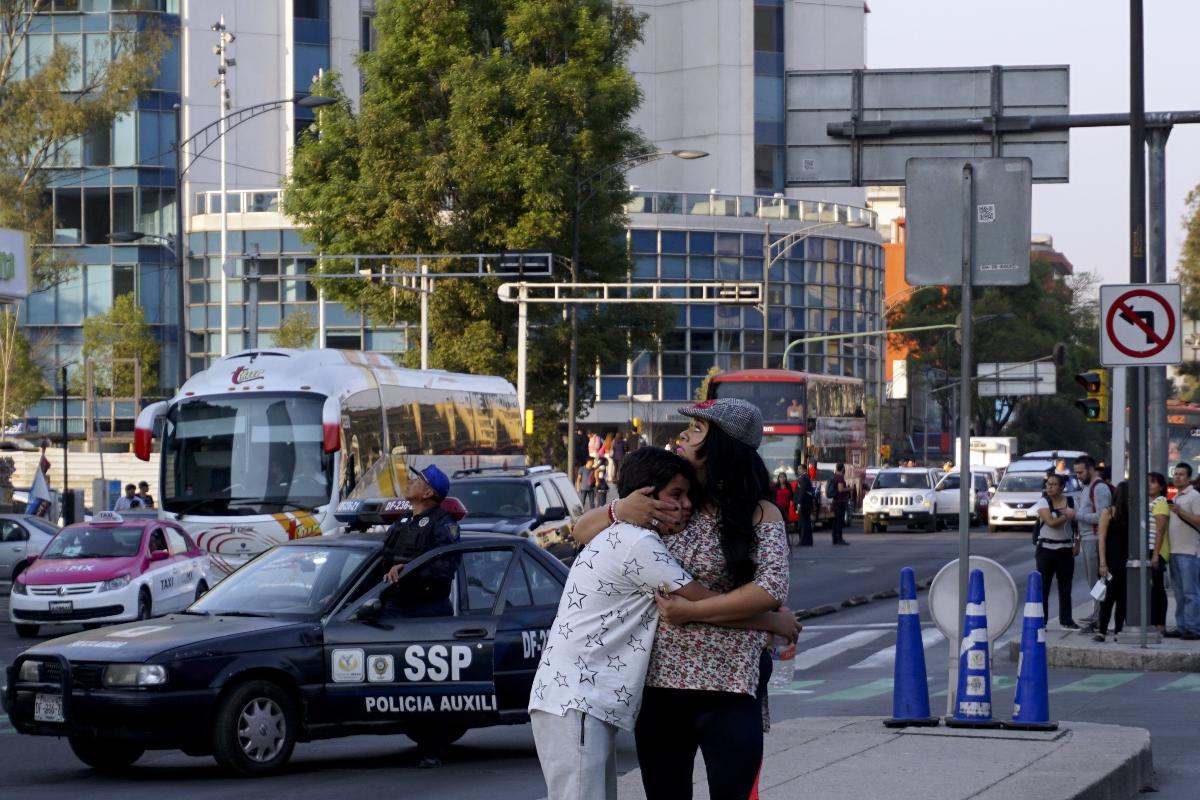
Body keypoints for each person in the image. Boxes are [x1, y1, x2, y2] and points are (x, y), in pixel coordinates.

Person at [528, 447, 797, 800]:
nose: (685, 504)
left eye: (688, 495)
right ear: (646, 497)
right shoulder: (638, 543)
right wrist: (772, 621)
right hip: (577, 698)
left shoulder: (630, 534)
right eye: (676, 495)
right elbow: (698, 599)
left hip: (584, 698)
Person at [381, 465, 460, 600]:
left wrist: (409, 569)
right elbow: (383, 557)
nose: (410, 481)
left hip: (422, 610)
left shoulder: (442, 523)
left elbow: (447, 565)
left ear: (427, 493)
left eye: (417, 481)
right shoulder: (404, 519)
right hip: (395, 600)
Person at [1033, 473, 1080, 629]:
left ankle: (1066, 620)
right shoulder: (1043, 502)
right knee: (1044, 587)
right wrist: (1067, 515)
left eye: (1054, 484)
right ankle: (1042, 620)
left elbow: (1077, 523)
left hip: (1066, 549)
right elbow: (1051, 522)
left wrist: (1077, 543)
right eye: (1048, 484)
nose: (1050, 487)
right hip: (1046, 549)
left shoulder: (1071, 501)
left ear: (1062, 487)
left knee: (1065, 586)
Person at [1073, 455, 1112, 632]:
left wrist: (1076, 515)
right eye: (1076, 473)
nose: (1078, 476)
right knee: (1093, 581)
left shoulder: (1099, 488)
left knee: (1098, 581)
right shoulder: (1088, 487)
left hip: (1096, 539)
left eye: (1080, 472)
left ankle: (1099, 617)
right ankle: (1096, 613)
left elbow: (1102, 517)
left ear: (1090, 469)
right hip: (1088, 538)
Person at [1164, 463, 1200, 640]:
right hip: (1174, 551)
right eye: (1175, 474)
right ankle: (1182, 625)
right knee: (1179, 593)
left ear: (1189, 478)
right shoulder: (1176, 497)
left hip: (1190, 552)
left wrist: (1180, 512)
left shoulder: (1194, 496)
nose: (1177, 477)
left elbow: (1198, 520)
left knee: (1191, 593)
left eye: (1181, 474)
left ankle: (1194, 628)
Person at [1095, 481, 1131, 642]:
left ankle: (1103, 630)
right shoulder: (1129, 513)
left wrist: (1102, 562)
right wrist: (1103, 563)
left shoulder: (1108, 512)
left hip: (1112, 559)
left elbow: (1101, 539)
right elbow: (1102, 538)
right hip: (1122, 560)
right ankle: (1116, 630)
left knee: (1109, 597)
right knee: (1120, 597)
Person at [1148, 472, 1170, 633]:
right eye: (1147, 482)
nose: (1149, 485)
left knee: (1157, 589)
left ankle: (1160, 624)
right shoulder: (1149, 502)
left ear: (1161, 487)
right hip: (1147, 550)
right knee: (1151, 588)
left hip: (1155, 551)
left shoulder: (1160, 502)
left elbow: (1160, 531)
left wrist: (1155, 554)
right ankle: (1152, 622)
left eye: (1153, 482)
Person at [830, 463, 850, 546]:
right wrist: (850, 488)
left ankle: (835, 538)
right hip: (840, 502)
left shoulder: (834, 476)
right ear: (842, 469)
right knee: (839, 521)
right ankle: (839, 539)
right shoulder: (840, 478)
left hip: (835, 502)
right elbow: (841, 489)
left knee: (835, 521)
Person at [795, 464, 814, 547]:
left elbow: (802, 491)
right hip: (806, 503)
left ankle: (803, 540)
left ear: (804, 469)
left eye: (800, 468)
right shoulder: (805, 477)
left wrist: (799, 503)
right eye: (798, 468)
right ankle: (808, 540)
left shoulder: (803, 478)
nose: (798, 470)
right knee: (806, 522)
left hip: (804, 504)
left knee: (802, 523)